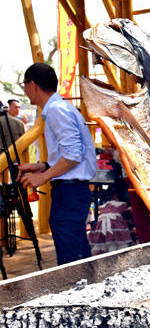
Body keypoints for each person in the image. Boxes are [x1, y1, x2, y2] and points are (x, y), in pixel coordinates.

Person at [17, 63, 96, 265]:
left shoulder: (56, 110)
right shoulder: (60, 108)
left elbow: (73, 155)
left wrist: (42, 177)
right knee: (76, 252)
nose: (25, 89)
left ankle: (77, 293)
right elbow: (70, 154)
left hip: (70, 192)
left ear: (32, 84)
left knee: (71, 259)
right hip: (71, 190)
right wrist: (43, 166)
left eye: (24, 84)